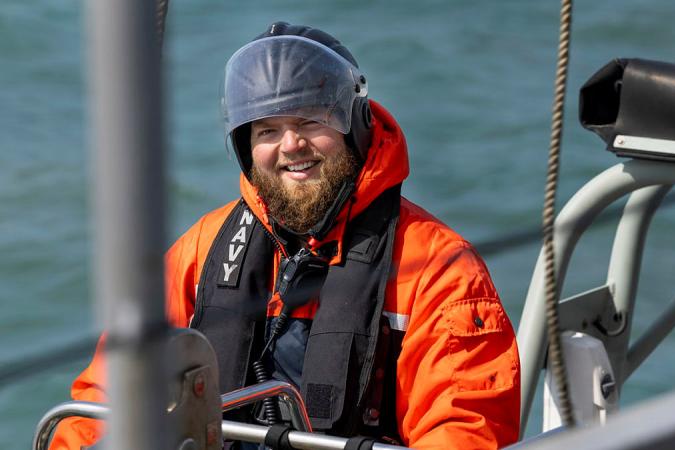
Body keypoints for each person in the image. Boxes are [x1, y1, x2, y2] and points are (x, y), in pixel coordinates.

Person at [51, 22, 520, 450]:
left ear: (354, 126)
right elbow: (102, 399)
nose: (291, 145)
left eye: (310, 121)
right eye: (268, 129)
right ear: (246, 148)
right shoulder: (204, 248)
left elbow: (464, 428)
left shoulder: (439, 268)